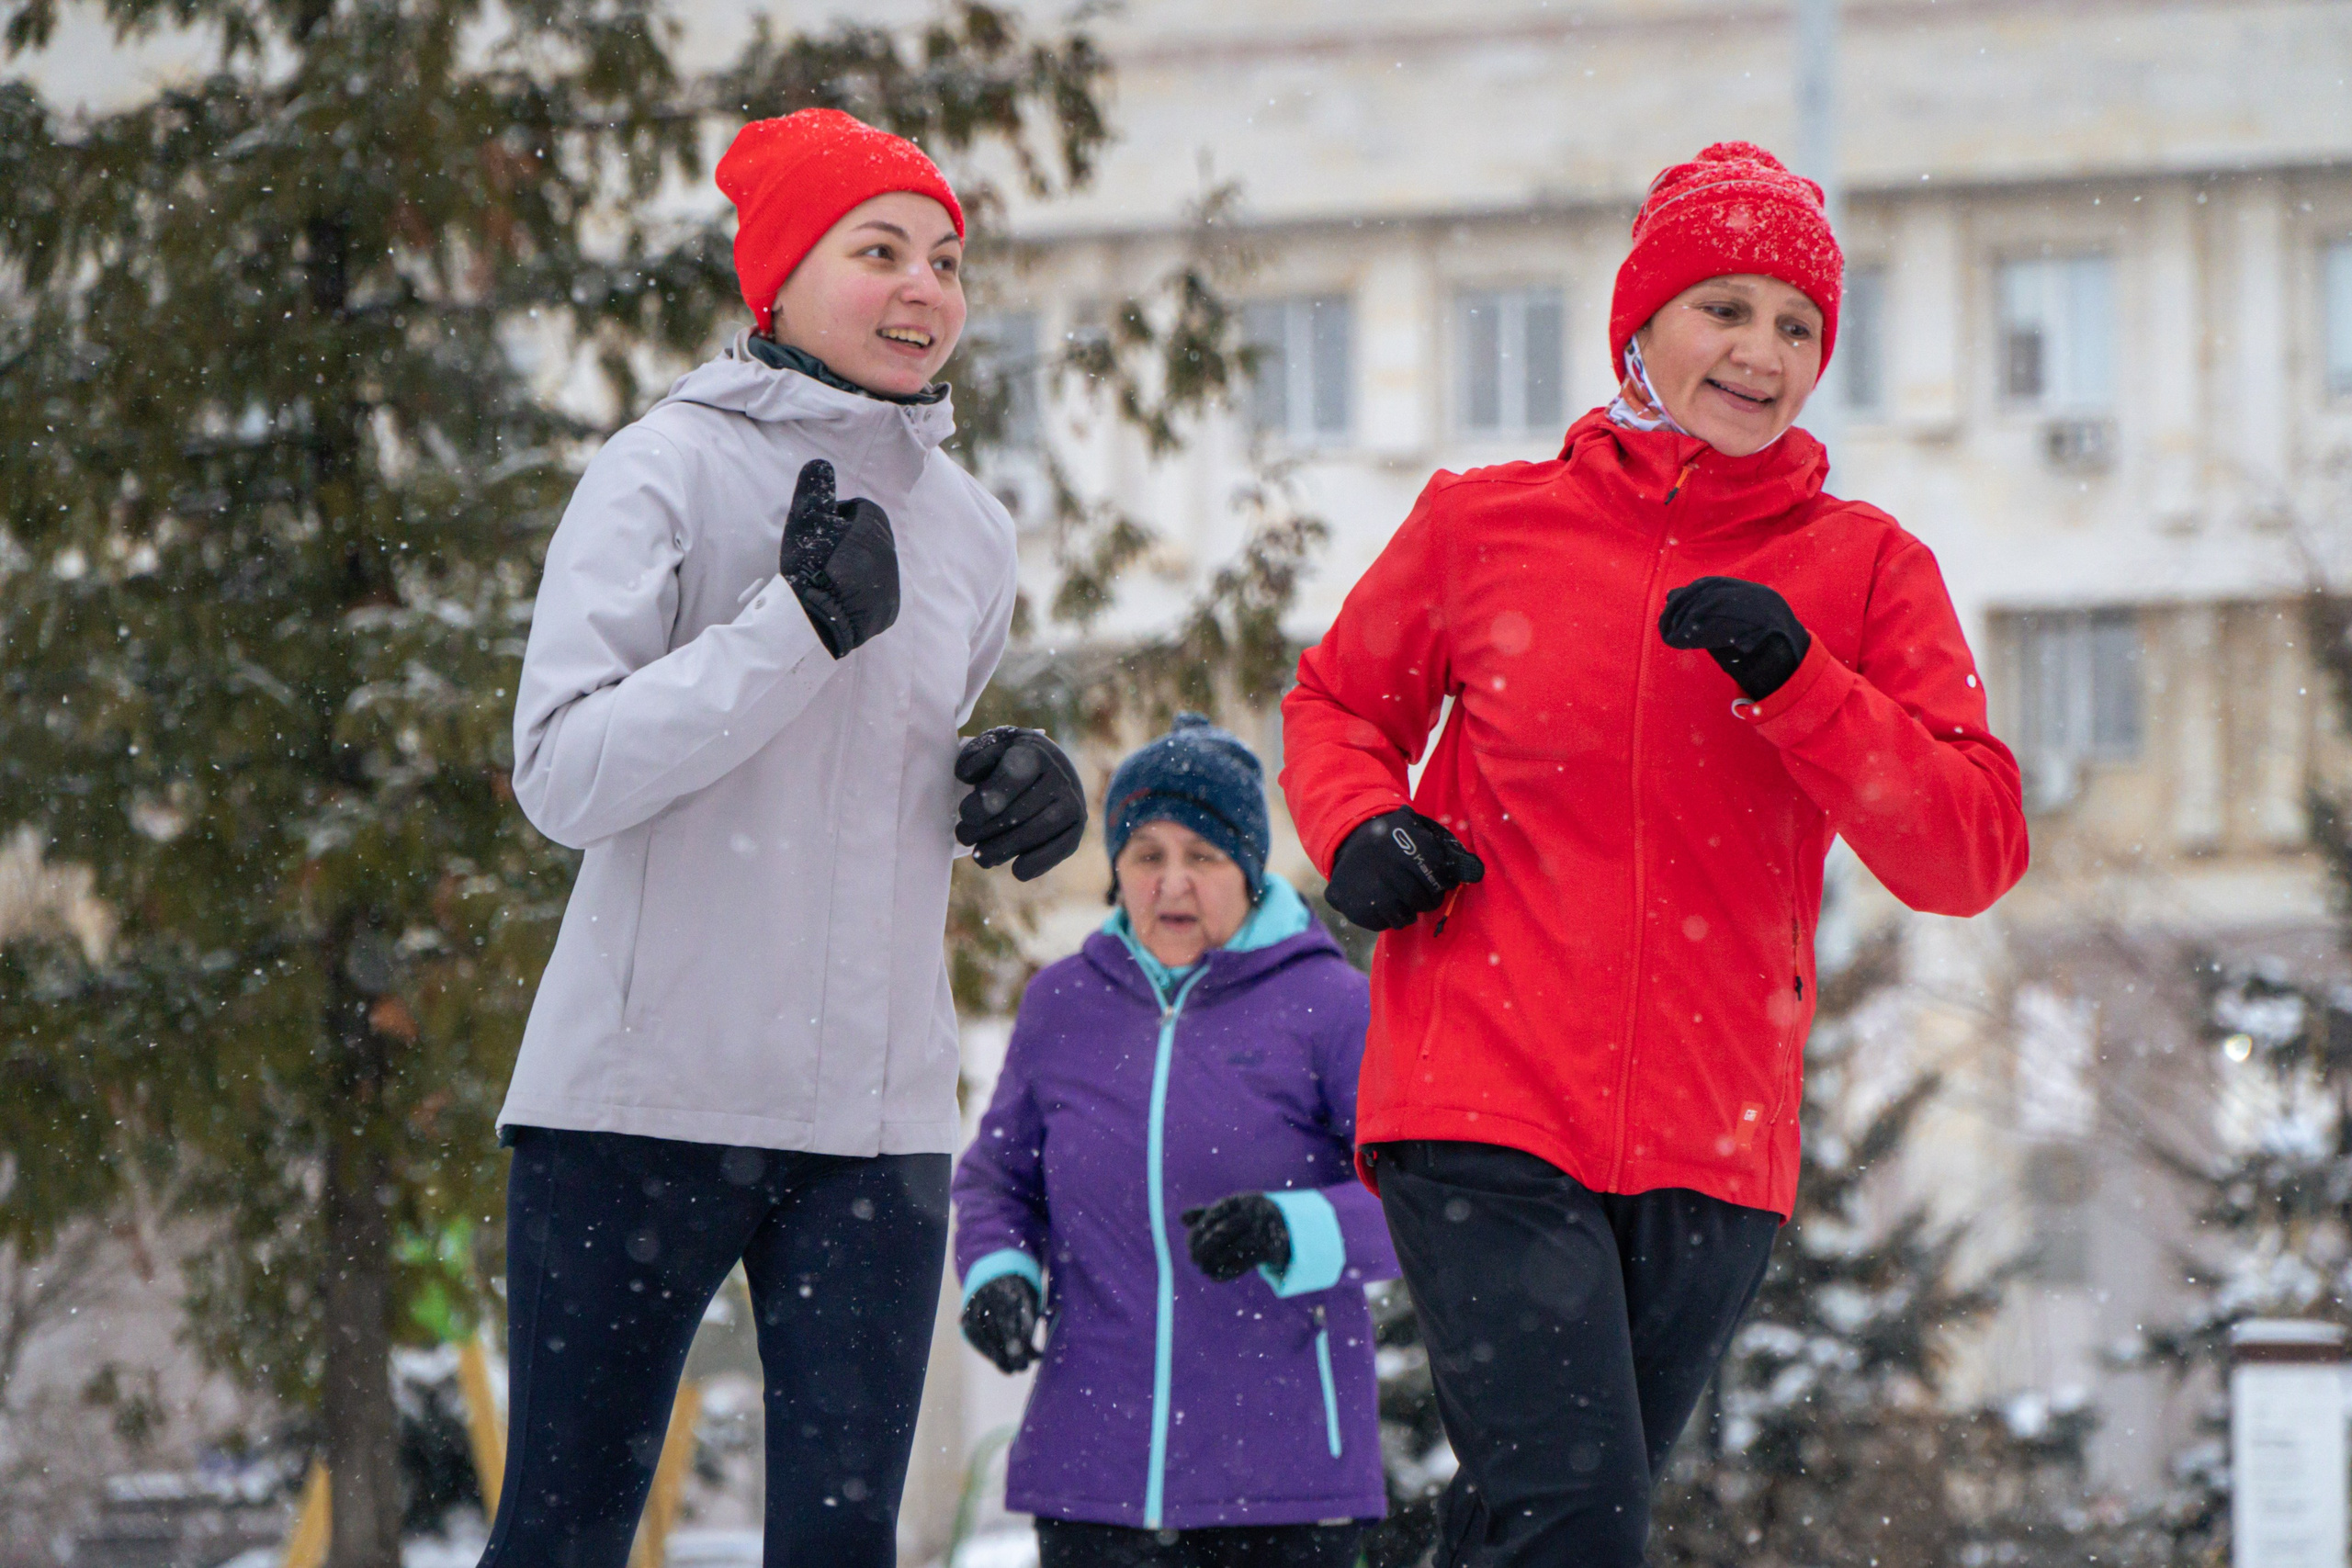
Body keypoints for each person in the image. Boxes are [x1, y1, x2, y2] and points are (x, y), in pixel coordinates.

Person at [1278, 142, 2030, 1567]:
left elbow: (1969, 848)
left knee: (1528, 1519)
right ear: (1641, 323)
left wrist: (1804, 680)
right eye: (1724, 308)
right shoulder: (1485, 524)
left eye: (1797, 325)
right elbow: (1337, 704)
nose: (1760, 352)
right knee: (1578, 1516)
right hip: (1482, 1094)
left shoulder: (1866, 568)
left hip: (1709, 1136)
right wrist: (1358, 826)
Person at [481, 108, 1087, 1568]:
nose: (925, 288)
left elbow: (856, 790)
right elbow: (564, 772)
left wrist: (988, 794)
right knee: (564, 1532)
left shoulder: (970, 532)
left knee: (842, 1546)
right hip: (639, 1105)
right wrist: (795, 627)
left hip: (869, 1128)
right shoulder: (663, 469)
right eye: (878, 250)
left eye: (945, 258)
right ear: (780, 278)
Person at [953, 715, 1396, 1568]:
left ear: (1250, 867)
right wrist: (998, 1272)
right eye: (1147, 854)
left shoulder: (1332, 1004)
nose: (1172, 883)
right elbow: (997, 1182)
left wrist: (1291, 1229)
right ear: (1117, 869)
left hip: (1284, 1478)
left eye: (1203, 855)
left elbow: (1412, 1198)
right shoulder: (1063, 1004)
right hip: (1093, 1472)